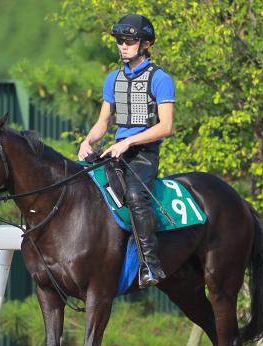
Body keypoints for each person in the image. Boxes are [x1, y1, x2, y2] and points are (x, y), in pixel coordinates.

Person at [78, 13, 175, 288]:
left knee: (134, 194)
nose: (123, 45)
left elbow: (166, 126)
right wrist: (88, 141)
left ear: (145, 44)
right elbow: (102, 123)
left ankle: (150, 265)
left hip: (143, 154)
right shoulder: (113, 79)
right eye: (120, 40)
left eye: (130, 41)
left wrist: (130, 141)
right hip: (116, 150)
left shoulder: (160, 79)